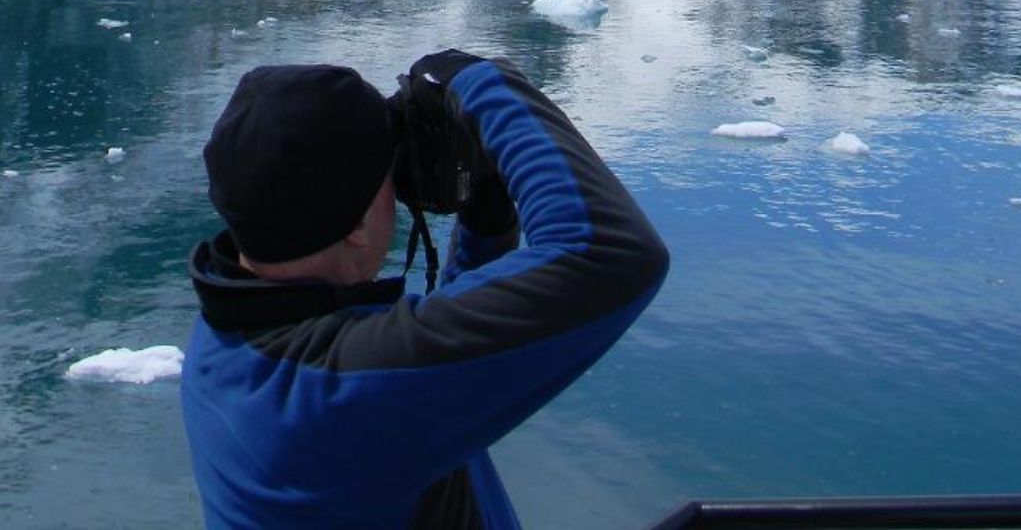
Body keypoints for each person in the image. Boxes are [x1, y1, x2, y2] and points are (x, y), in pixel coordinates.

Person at [181, 49, 669, 529]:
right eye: (389, 178)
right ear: (356, 226)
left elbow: (430, 360)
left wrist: (487, 209)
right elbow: (612, 251)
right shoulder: (342, 396)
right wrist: (482, 83)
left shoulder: (229, 345)